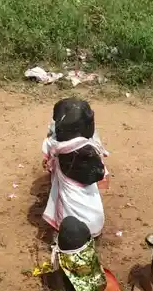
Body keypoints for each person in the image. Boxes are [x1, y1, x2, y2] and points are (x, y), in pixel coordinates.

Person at [42, 98, 109, 238]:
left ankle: (62, 238)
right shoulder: (92, 147)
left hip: (73, 230)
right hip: (96, 221)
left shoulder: (56, 147)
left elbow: (50, 138)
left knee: (62, 196)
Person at [51, 216, 126, 291]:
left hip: (72, 264)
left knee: (73, 280)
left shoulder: (64, 248)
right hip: (88, 263)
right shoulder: (84, 230)